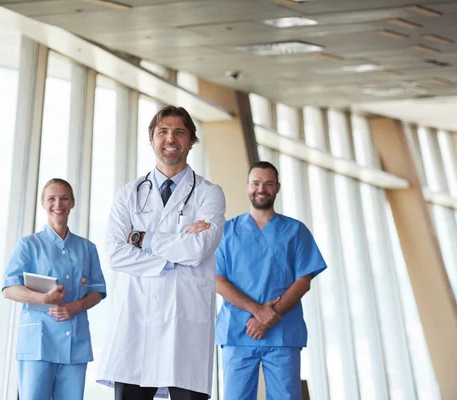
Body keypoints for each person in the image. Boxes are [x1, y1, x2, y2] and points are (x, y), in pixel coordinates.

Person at [96, 105, 226, 400]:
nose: (171, 138)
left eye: (179, 131)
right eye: (163, 131)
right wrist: (178, 244)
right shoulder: (128, 194)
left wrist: (143, 239)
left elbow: (199, 249)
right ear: (151, 139)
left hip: (184, 324)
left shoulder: (209, 193)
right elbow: (115, 254)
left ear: (191, 140)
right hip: (136, 321)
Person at [215, 161, 327, 400]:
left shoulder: (296, 231)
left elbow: (303, 280)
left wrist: (269, 318)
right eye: (256, 183)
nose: (261, 188)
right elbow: (217, 280)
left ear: (277, 187)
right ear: (247, 186)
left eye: (268, 183)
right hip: (238, 332)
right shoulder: (226, 232)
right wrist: (258, 311)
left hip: (282, 334)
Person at [2, 178, 106, 400]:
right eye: (52, 198)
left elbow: (97, 291)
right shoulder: (28, 245)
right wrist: (43, 298)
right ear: (42, 203)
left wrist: (77, 306)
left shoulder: (87, 248)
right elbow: (9, 288)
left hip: (74, 343)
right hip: (38, 343)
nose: (58, 204)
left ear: (72, 203)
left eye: (64, 198)